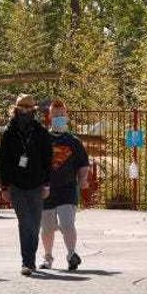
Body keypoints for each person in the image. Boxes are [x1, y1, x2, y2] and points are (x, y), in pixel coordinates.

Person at [0, 94, 53, 276]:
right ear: (16, 110)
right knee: (25, 221)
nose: (25, 112)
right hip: (17, 185)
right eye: (22, 109)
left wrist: (47, 183)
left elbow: (48, 159)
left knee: (35, 224)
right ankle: (26, 261)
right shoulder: (9, 132)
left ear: (33, 111)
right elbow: (2, 161)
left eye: (29, 109)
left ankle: (31, 258)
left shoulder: (40, 132)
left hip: (37, 184)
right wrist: (4, 186)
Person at [40, 99, 90, 271]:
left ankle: (71, 255)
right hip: (46, 190)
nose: (59, 118)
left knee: (67, 224)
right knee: (47, 227)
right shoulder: (43, 139)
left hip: (67, 189)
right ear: (49, 117)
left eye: (61, 115)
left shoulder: (73, 141)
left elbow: (83, 164)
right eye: (55, 115)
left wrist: (83, 178)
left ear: (67, 117)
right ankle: (47, 258)